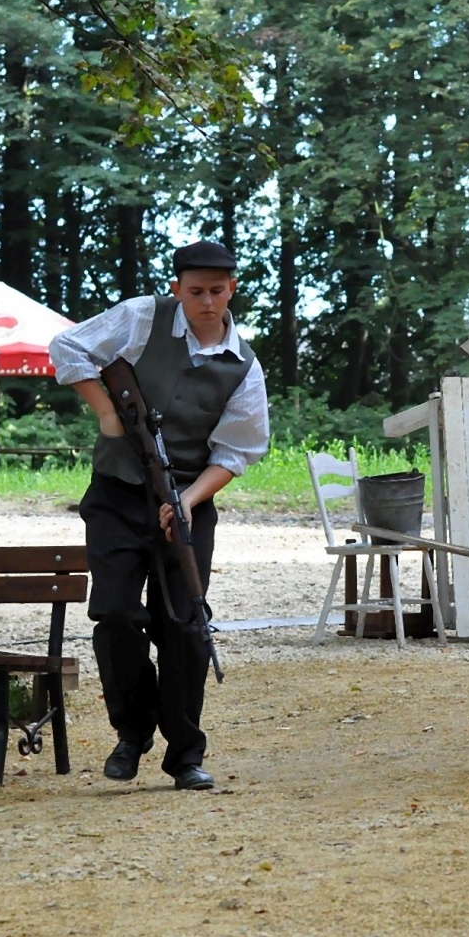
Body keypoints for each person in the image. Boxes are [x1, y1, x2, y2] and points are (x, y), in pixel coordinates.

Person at [49, 240, 269, 791]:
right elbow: (68, 346)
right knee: (116, 613)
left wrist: (188, 501)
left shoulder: (243, 364)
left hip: (189, 502)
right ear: (177, 288)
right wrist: (106, 412)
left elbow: (237, 452)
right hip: (118, 494)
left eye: (217, 291)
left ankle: (185, 754)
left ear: (232, 289)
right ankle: (132, 733)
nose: (206, 302)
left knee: (186, 626)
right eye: (195, 291)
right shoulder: (142, 317)